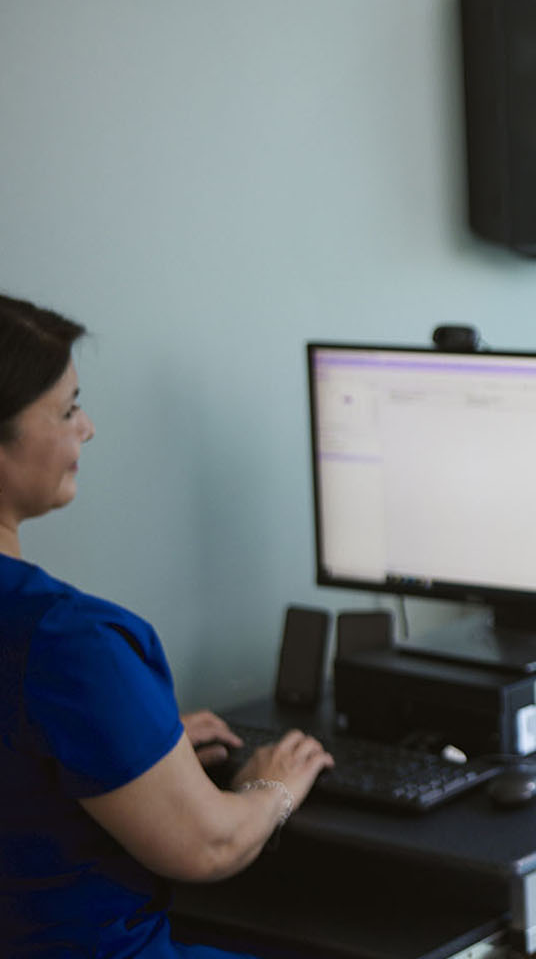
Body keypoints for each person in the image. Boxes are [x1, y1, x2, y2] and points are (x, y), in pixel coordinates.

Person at [0, 294, 334, 957]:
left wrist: (130, 747)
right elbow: (208, 845)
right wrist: (273, 788)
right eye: (67, 410)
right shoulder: (65, 641)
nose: (87, 428)